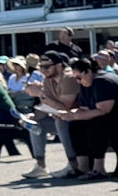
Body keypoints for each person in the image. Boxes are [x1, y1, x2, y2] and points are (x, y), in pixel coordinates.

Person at [55, 55, 118, 175]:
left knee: (96, 123)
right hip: (111, 116)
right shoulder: (85, 84)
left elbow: (103, 110)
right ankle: (83, 166)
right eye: (75, 79)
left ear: (88, 72)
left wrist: (75, 115)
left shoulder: (103, 81)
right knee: (76, 125)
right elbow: (83, 109)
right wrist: (67, 114)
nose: (78, 81)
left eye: (79, 77)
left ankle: (99, 169)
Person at [22, 49, 80, 178]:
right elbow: (46, 105)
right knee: (35, 123)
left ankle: (73, 164)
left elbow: (65, 109)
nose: (43, 70)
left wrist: (40, 94)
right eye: (41, 67)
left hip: (79, 121)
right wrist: (30, 118)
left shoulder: (68, 79)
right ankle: (40, 165)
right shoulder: (48, 79)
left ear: (58, 66)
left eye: (47, 67)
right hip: (64, 119)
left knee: (61, 120)